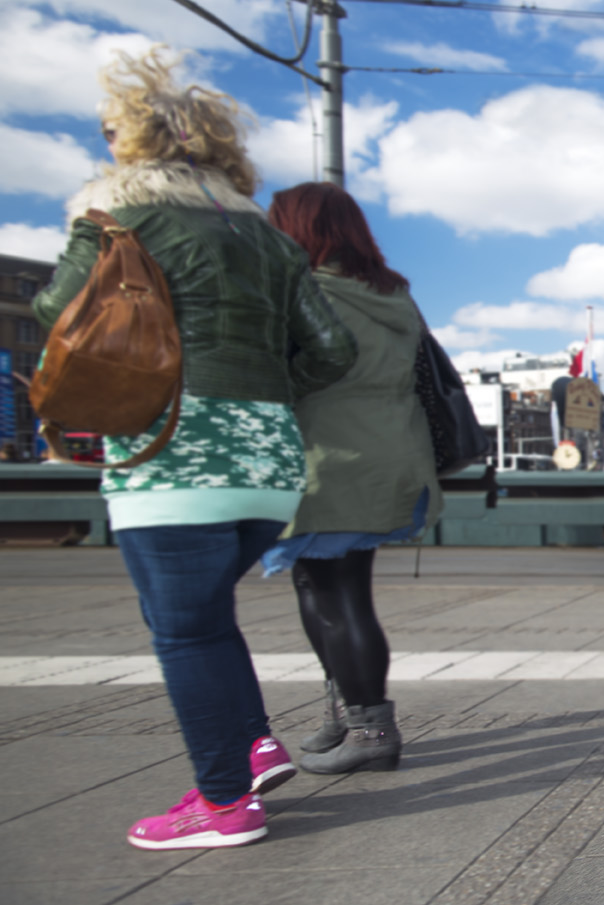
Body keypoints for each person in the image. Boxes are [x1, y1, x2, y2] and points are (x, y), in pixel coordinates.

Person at [34, 48, 356, 849]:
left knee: (181, 630)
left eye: (113, 128)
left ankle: (222, 802)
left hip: (173, 454)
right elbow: (332, 351)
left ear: (138, 142)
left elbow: (53, 306)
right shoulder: (271, 242)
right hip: (268, 459)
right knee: (207, 620)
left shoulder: (115, 218)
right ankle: (250, 743)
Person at [259, 182, 440, 774]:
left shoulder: (304, 294)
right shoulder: (394, 295)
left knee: (330, 595)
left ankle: (368, 727)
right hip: (392, 458)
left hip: (329, 459)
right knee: (342, 591)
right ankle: (350, 711)